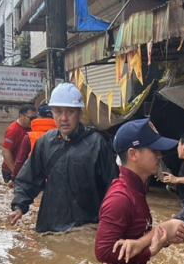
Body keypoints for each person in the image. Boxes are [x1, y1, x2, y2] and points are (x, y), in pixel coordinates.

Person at [9, 83, 119, 233]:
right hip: (50, 228)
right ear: (52, 113)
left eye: (70, 112)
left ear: (80, 114)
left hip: (87, 228)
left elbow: (113, 186)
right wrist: (19, 207)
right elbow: (28, 179)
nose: (64, 118)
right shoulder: (45, 143)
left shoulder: (97, 144)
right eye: (58, 112)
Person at [93, 118, 182, 264]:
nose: (160, 155)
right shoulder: (121, 198)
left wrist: (164, 240)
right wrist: (150, 251)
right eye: (154, 150)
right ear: (133, 154)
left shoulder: (136, 191)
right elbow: (103, 252)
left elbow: (135, 235)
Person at [11, 103, 57, 181]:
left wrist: (14, 179)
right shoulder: (63, 136)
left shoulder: (29, 137)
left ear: (38, 117)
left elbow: (20, 162)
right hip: (54, 182)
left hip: (33, 183)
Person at [2, 103, 37, 183]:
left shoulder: (32, 128)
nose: (33, 121)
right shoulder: (14, 130)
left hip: (24, 170)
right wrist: (15, 172)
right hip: (11, 171)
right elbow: (6, 151)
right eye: (31, 118)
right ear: (21, 116)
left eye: (35, 118)